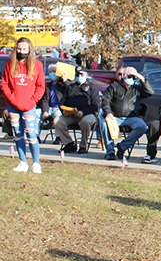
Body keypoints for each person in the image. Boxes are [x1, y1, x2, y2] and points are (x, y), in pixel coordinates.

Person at [1, 37, 46, 173]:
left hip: (29, 106)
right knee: (18, 134)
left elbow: (41, 86)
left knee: (31, 134)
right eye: (19, 49)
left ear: (29, 50)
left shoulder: (37, 65)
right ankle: (23, 162)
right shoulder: (10, 64)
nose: (21, 51)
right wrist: (11, 98)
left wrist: (32, 101)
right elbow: (4, 84)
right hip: (13, 105)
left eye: (24, 49)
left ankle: (36, 163)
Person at [100, 66, 154, 160]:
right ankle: (110, 151)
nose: (131, 79)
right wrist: (108, 113)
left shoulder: (137, 89)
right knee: (104, 123)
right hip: (115, 117)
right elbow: (105, 101)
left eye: (133, 77)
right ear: (123, 76)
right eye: (129, 76)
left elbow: (150, 92)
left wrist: (141, 78)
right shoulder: (113, 87)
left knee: (142, 126)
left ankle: (123, 146)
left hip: (131, 118)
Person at [56, 67, 100, 154]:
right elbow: (62, 102)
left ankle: (83, 145)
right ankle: (69, 143)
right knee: (57, 121)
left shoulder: (92, 87)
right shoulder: (71, 87)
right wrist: (65, 111)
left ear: (86, 75)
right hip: (71, 114)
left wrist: (83, 112)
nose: (79, 76)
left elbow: (95, 106)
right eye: (78, 74)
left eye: (82, 74)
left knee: (85, 121)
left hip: (87, 114)